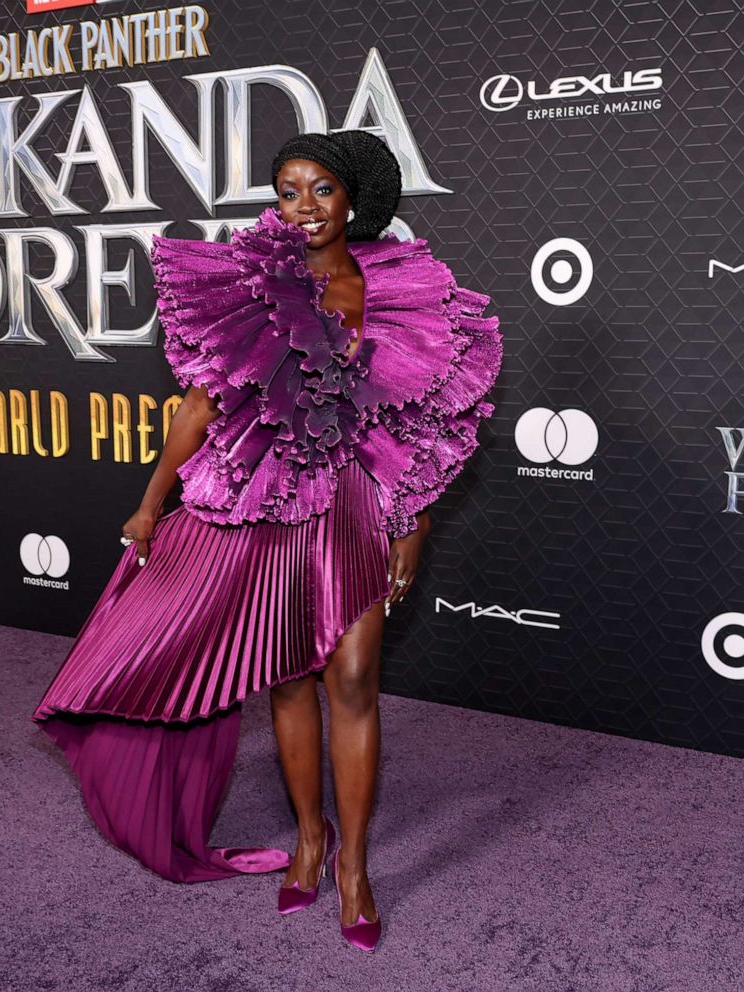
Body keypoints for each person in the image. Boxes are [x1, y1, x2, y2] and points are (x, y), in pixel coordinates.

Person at [31, 129, 503, 953]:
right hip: (271, 497)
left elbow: (420, 421)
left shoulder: (399, 289)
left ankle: (353, 867)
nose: (303, 208)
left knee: (351, 680)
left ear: (354, 197)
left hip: (357, 503)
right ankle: (308, 838)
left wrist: (414, 521)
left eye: (321, 190)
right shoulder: (252, 282)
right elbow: (199, 405)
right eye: (287, 190)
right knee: (287, 680)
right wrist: (150, 503)